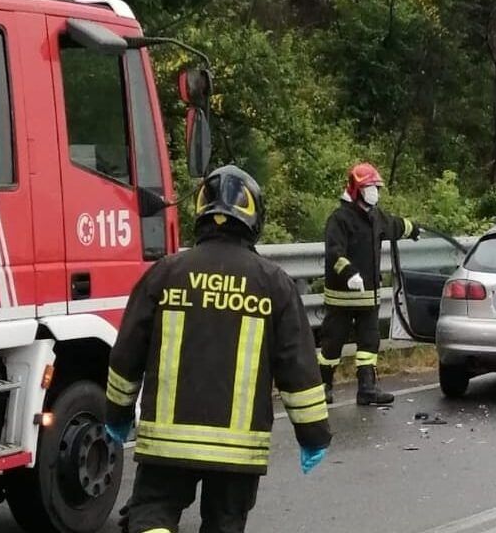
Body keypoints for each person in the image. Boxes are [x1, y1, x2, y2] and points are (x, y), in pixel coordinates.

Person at [105, 165, 331, 533]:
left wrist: (116, 413)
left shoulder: (165, 273)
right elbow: (299, 371)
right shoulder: (274, 284)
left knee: (153, 512)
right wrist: (314, 435)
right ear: (254, 216)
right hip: (238, 450)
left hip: (167, 443)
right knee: (225, 523)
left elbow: (125, 355)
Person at [316, 162, 420, 406]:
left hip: (368, 297)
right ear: (356, 189)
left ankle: (367, 389)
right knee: (333, 342)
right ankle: (323, 387)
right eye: (370, 187)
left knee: (369, 343)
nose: (375, 192)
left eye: (376, 187)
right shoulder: (340, 219)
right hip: (341, 298)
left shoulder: (375, 217)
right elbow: (333, 252)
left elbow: (395, 225)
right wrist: (349, 273)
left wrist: (413, 228)